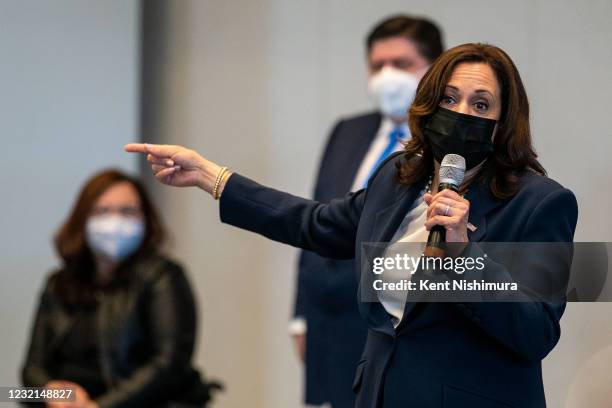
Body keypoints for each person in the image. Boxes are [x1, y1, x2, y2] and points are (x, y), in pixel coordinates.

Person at [126, 43, 578, 408]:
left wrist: (463, 257)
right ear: (429, 104)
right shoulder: (398, 176)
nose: (462, 112)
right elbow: (315, 223)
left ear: (504, 122)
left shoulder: (541, 203)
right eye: (449, 98)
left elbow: (536, 333)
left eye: (481, 103)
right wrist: (212, 177)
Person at [290, 15, 443, 408]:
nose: (388, 75)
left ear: (435, 67)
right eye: (378, 65)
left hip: (404, 325)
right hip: (334, 325)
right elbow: (315, 222)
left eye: (402, 64)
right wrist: (301, 316)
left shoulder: (449, 144)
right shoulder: (347, 131)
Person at [21, 170, 221, 408]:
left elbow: (169, 366)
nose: (114, 222)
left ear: (146, 220)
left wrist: (98, 407)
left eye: (128, 212)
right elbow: (28, 375)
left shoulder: (162, 276)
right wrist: (52, 394)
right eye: (102, 211)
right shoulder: (59, 283)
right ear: (82, 219)